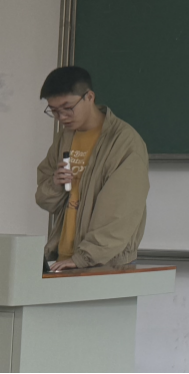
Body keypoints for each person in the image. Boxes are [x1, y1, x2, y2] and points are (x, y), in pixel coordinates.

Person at [35, 67, 149, 272]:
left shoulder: (124, 142)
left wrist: (85, 257)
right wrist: (55, 185)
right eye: (54, 111)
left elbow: (120, 213)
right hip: (64, 258)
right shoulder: (64, 138)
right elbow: (45, 201)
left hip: (104, 262)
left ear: (89, 97)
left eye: (67, 108)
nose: (62, 117)